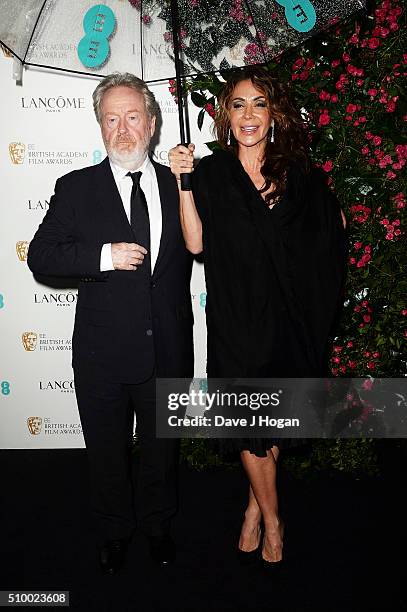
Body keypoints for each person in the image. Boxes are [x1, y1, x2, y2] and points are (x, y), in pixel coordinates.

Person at [169, 66, 346, 569]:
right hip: (236, 315)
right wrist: (184, 183)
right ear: (225, 114)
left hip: (288, 315)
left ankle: (252, 505)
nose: (249, 114)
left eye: (260, 103)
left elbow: (330, 229)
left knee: (274, 420)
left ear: (275, 114)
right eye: (239, 104)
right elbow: (196, 242)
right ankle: (273, 519)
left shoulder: (300, 174)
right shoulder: (210, 172)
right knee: (249, 423)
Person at [28, 72, 194, 574]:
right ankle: (114, 531)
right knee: (106, 451)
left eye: (132, 116)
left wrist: (195, 177)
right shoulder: (76, 188)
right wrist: (102, 256)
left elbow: (211, 241)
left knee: (163, 452)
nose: (123, 129)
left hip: (167, 346)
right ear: (100, 127)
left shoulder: (181, 184)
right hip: (101, 352)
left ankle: (159, 528)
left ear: (153, 121)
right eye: (111, 119)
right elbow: (41, 256)